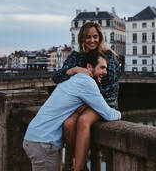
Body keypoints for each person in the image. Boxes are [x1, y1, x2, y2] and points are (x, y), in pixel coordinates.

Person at [23, 50, 121, 171]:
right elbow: (109, 115)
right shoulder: (87, 82)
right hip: (44, 142)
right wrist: (119, 113)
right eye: (102, 68)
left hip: (36, 138)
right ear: (89, 67)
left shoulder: (74, 79)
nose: (105, 72)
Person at [52, 21, 121, 170]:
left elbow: (111, 86)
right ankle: (81, 166)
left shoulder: (109, 57)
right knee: (68, 124)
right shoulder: (76, 58)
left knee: (83, 121)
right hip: (80, 105)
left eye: (95, 36)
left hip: (104, 102)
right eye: (88, 37)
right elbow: (57, 77)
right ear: (82, 39)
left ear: (100, 37)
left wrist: (89, 102)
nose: (92, 40)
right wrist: (73, 70)